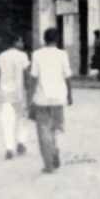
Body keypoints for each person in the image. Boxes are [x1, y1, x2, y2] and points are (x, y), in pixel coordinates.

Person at [29, 28, 73, 174]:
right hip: (58, 98)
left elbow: (34, 78)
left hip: (42, 98)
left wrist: (30, 97)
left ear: (44, 39)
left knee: (43, 130)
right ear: (57, 39)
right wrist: (70, 95)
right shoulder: (63, 54)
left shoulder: (37, 55)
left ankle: (48, 164)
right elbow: (67, 76)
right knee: (54, 128)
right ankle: (54, 150)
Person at [0, 35, 30, 159]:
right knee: (22, 119)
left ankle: (9, 148)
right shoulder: (23, 56)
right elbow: (26, 75)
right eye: (20, 41)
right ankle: (21, 142)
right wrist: (28, 89)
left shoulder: (1, 57)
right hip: (19, 92)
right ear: (15, 42)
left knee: (7, 121)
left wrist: (0, 86)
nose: (22, 43)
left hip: (5, 93)